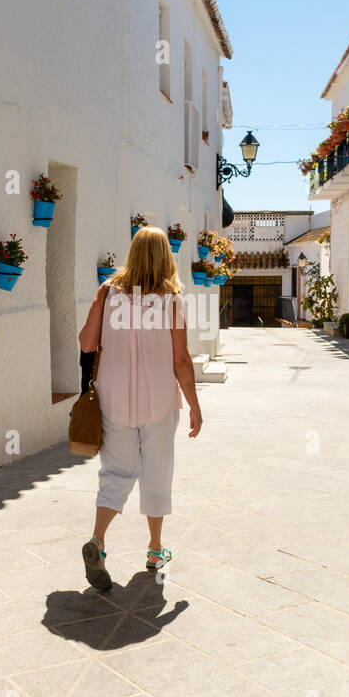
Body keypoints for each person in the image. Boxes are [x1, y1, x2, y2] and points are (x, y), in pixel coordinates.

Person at [76, 226, 202, 590]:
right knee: (157, 472)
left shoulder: (108, 291)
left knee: (116, 473)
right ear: (166, 255)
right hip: (159, 400)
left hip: (114, 400)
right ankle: (155, 550)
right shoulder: (172, 300)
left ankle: (98, 542)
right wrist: (194, 405)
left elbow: (86, 342)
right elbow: (180, 360)